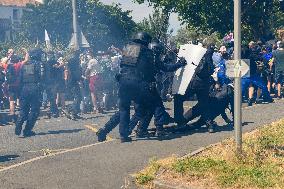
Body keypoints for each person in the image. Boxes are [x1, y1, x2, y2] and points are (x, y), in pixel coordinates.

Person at [174, 42, 216, 133]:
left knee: (178, 98)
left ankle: (180, 122)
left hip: (195, 83)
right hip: (205, 84)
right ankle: (210, 124)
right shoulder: (210, 54)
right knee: (204, 103)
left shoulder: (200, 54)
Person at [15, 48, 43, 137]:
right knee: (35, 110)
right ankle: (27, 130)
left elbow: (20, 78)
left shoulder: (24, 64)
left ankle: (19, 121)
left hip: (24, 88)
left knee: (24, 109)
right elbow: (42, 77)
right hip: (34, 88)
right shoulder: (39, 64)